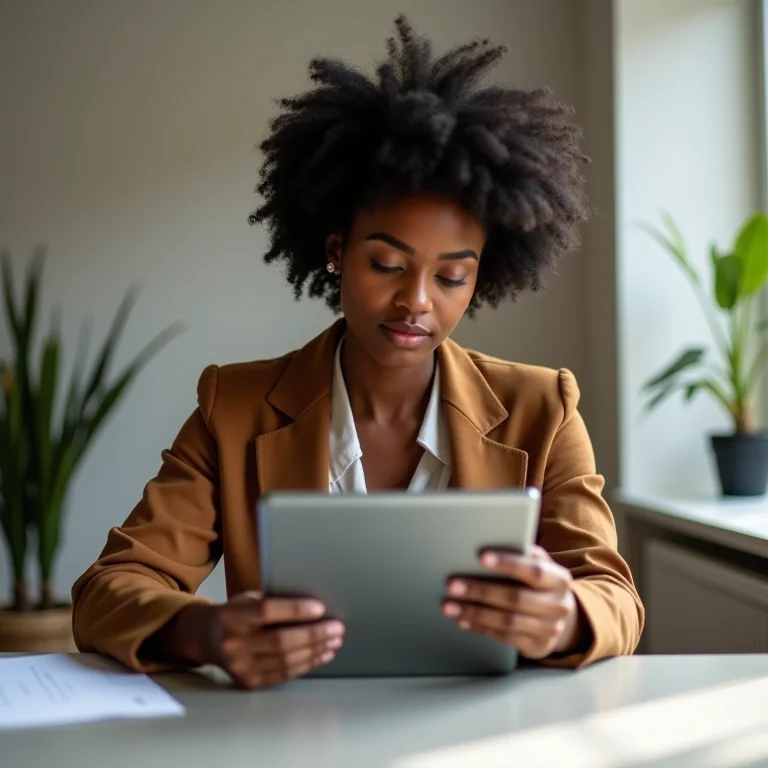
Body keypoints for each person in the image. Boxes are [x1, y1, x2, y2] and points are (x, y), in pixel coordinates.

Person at [71, 15, 644, 689]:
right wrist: (212, 633)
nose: (416, 302)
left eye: (452, 276)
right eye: (386, 263)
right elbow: (108, 591)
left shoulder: (542, 409)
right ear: (338, 251)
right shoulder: (237, 408)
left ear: (480, 277)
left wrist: (566, 615)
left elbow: (616, 599)